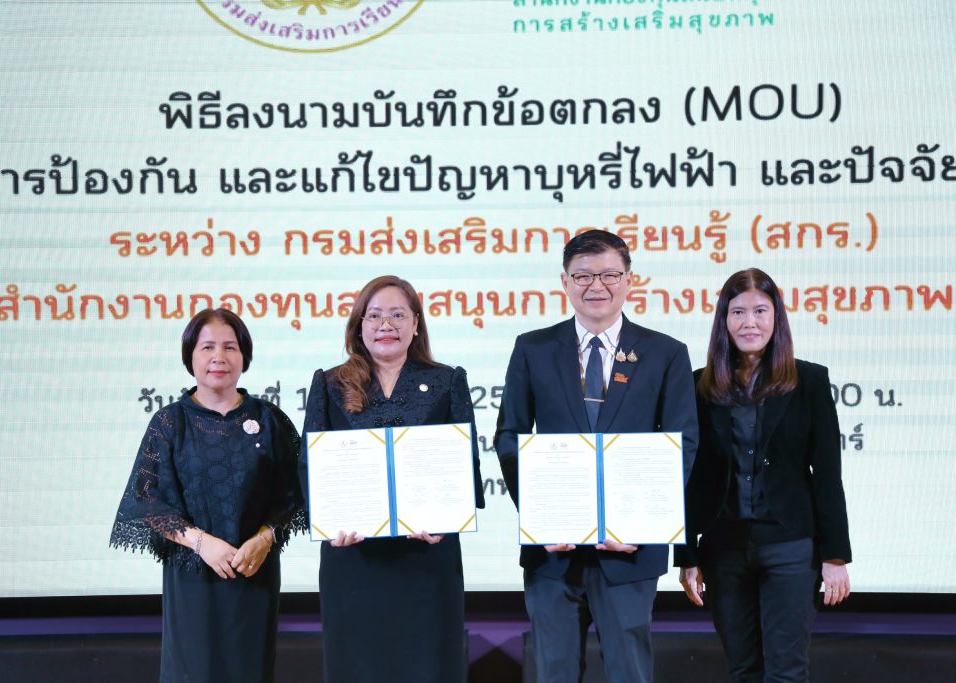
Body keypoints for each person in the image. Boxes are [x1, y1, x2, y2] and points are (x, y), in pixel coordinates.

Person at [494, 230, 698, 683]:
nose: (596, 286)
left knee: (629, 673)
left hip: (630, 552)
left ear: (629, 280)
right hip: (552, 554)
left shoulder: (665, 353)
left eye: (609, 275)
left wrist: (643, 522)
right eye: (583, 276)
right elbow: (509, 436)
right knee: (554, 673)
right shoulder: (532, 348)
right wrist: (540, 517)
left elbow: (682, 444)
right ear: (564, 282)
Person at [301, 274, 485, 683]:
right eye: (375, 315)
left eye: (398, 315)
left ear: (416, 324)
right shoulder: (330, 383)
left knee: (427, 667)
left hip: (426, 559)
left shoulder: (447, 380)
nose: (386, 325)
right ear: (359, 325)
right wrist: (328, 523)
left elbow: (465, 463)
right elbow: (309, 463)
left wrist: (447, 518)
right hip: (353, 559)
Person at [110, 308, 306, 683]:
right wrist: (202, 543)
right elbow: (147, 499)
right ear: (190, 356)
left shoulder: (270, 419)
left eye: (230, 347)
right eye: (208, 347)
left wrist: (266, 537)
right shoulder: (170, 422)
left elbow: (296, 493)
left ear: (244, 356)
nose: (219, 357)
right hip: (193, 577)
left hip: (254, 572)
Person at [676, 268, 852, 683]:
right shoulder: (699, 385)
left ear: (777, 317)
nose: (749, 323)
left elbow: (828, 473)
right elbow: (689, 476)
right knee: (744, 670)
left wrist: (835, 556)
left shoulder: (809, 381)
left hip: (791, 547)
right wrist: (686, 556)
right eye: (737, 312)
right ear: (724, 320)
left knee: (786, 671)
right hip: (723, 549)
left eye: (760, 311)